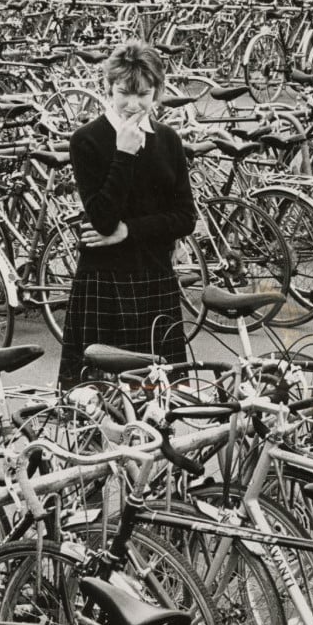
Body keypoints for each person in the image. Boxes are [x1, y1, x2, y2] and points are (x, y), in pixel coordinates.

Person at [58, 39, 196, 389]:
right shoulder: (86, 140)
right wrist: (124, 153)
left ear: (157, 93)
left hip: (154, 275)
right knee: (96, 397)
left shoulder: (168, 140)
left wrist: (128, 232)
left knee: (159, 400)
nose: (133, 104)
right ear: (108, 89)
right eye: (124, 93)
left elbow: (185, 217)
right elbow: (103, 218)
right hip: (105, 280)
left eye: (144, 94)